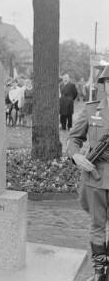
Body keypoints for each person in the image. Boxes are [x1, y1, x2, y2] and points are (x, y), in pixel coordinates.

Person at [66, 65, 109, 281]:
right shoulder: (92, 110)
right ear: (104, 85)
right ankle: (99, 272)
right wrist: (76, 156)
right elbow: (73, 138)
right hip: (95, 175)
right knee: (97, 224)